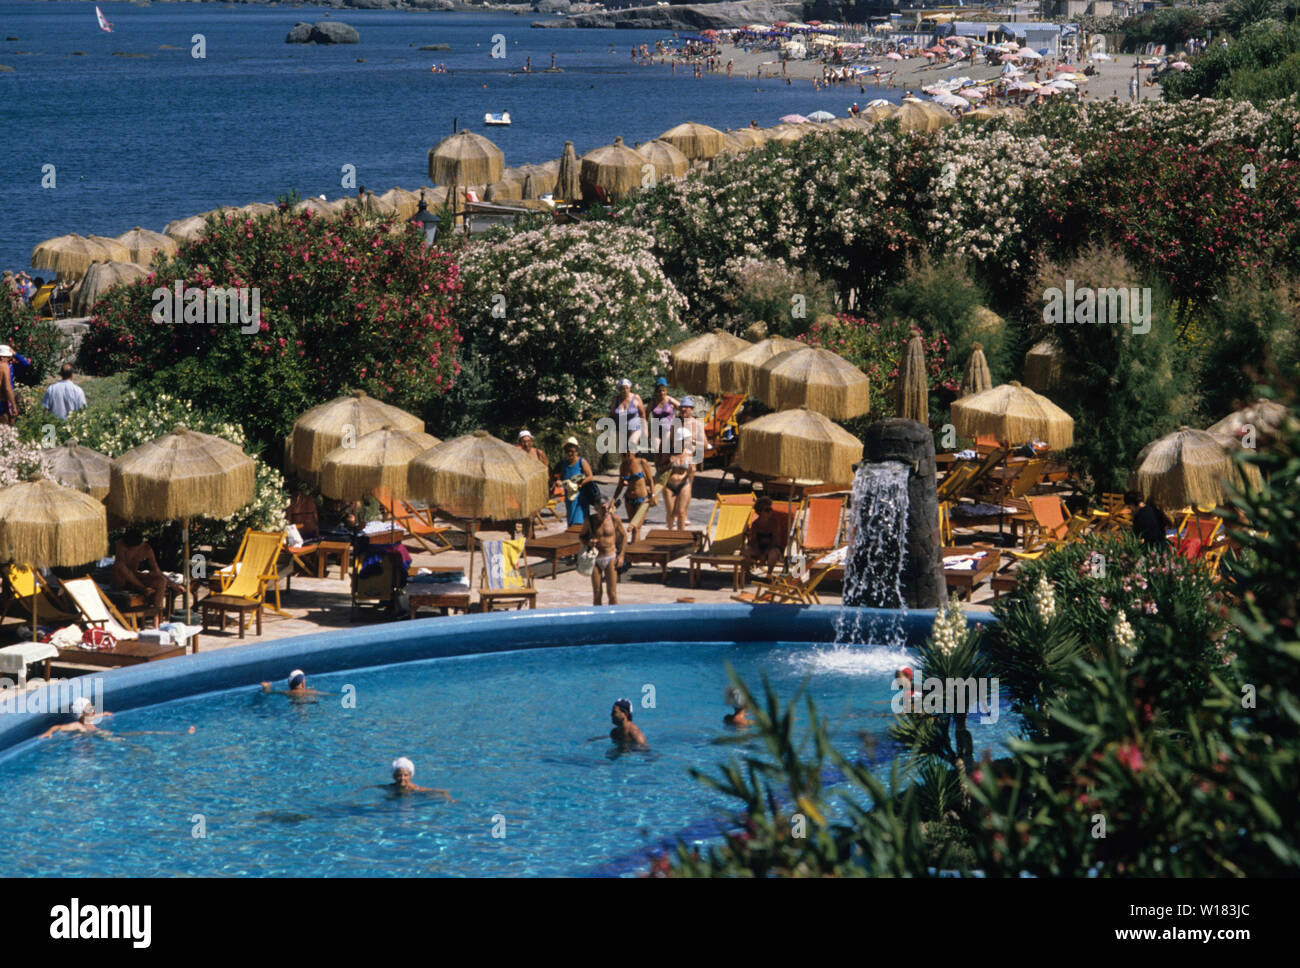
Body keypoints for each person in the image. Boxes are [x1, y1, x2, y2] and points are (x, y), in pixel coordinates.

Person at [111, 529, 184, 610]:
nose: (131, 549)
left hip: (135, 579)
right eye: (129, 548)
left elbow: (157, 570)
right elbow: (121, 567)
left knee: (161, 581)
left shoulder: (146, 549)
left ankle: (156, 610)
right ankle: (143, 588)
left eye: (134, 548)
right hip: (121, 580)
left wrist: (173, 584)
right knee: (120, 566)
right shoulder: (121, 544)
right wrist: (142, 587)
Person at [581, 492, 625, 605]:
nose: (605, 510)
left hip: (610, 557)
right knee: (597, 592)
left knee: (612, 593)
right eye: (602, 508)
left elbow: (624, 536)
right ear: (596, 509)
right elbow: (582, 536)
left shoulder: (614, 519)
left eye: (607, 507)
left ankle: (614, 615)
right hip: (596, 558)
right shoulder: (590, 521)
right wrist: (589, 542)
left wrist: (621, 555)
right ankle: (597, 615)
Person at [613, 449, 657, 542]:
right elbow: (620, 486)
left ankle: (634, 549)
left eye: (629, 451)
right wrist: (613, 500)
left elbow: (650, 480)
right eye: (625, 452)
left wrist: (653, 495)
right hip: (629, 500)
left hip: (643, 500)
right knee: (634, 529)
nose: (628, 454)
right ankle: (635, 549)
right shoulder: (623, 466)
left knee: (636, 527)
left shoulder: (642, 462)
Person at [741, 496, 784, 580]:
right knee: (744, 550)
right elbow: (753, 542)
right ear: (760, 512)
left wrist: (764, 554)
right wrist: (760, 554)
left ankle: (769, 574)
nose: (770, 512)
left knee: (773, 553)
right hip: (759, 548)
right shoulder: (755, 524)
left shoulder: (774, 522)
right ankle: (748, 574)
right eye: (767, 510)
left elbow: (776, 541)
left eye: (770, 509)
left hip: (772, 548)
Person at [558, 437, 594, 526]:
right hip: (569, 497)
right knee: (571, 520)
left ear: (577, 451)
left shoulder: (582, 462)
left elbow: (590, 476)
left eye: (572, 451)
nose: (570, 453)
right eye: (567, 451)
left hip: (580, 497)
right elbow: (562, 477)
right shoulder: (564, 464)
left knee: (580, 521)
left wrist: (579, 484)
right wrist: (559, 482)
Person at [648, 377, 679, 471]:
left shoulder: (669, 400)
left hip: (668, 428)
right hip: (656, 428)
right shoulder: (653, 401)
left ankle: (663, 470)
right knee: (656, 450)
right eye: (659, 390)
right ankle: (658, 470)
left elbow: (682, 407)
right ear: (656, 391)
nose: (661, 393)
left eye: (663, 390)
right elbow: (645, 413)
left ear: (666, 390)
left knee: (665, 450)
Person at [385, 757, 453, 799]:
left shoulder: (415, 789)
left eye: (405, 775)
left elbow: (442, 792)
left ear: (410, 776)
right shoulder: (390, 787)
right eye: (399, 775)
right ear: (394, 776)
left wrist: (450, 799)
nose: (402, 778)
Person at [610, 378, 647, 453]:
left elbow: (643, 415)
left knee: (631, 446)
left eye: (627, 388)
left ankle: (635, 458)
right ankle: (635, 459)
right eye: (623, 388)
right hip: (621, 429)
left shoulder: (636, 397)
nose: (625, 390)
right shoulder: (616, 399)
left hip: (635, 428)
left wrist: (645, 430)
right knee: (623, 453)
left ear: (630, 388)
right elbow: (611, 415)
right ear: (619, 390)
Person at [260, 669, 329, 699]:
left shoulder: (287, 692)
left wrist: (266, 687)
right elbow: (328, 695)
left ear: (290, 685)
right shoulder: (310, 692)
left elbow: (267, 693)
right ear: (302, 682)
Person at [0, 345, 18, 425]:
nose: (9, 360)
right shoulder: (4, 366)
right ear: (3, 357)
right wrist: (14, 406)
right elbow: (7, 388)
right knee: (4, 427)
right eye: (8, 358)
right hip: (1, 402)